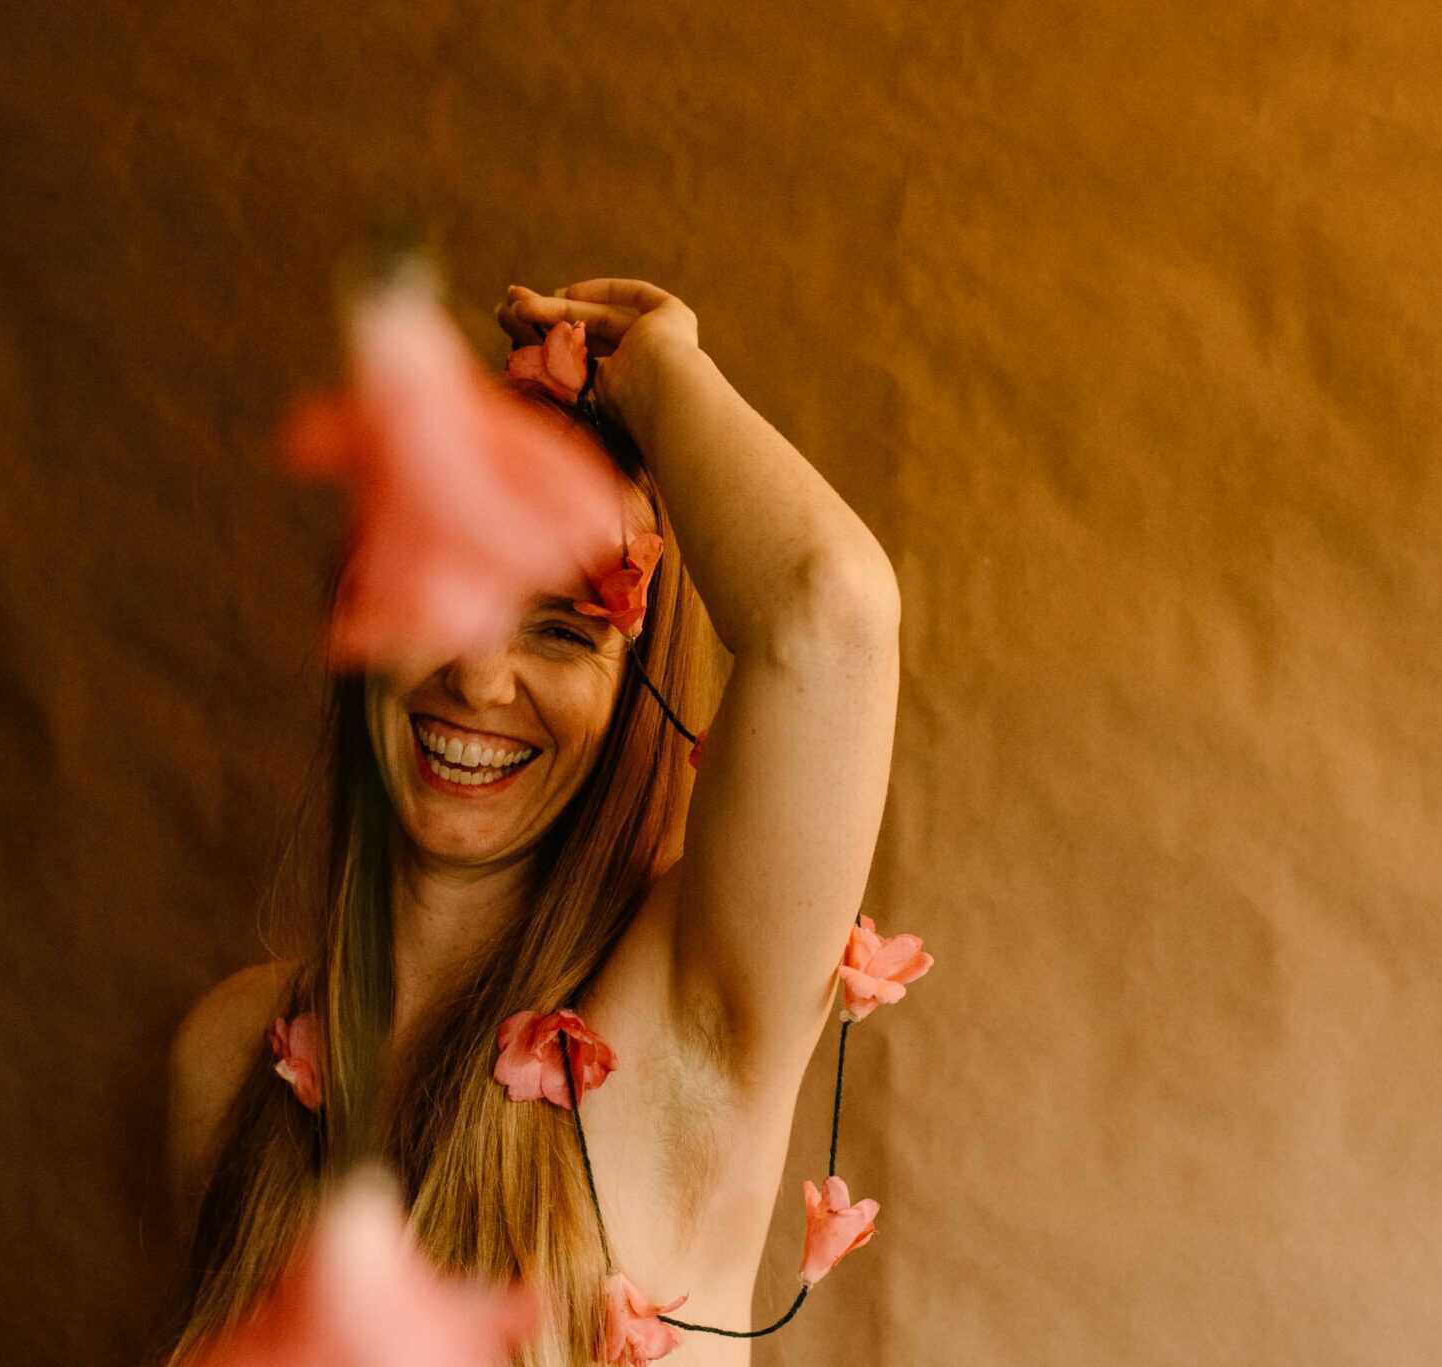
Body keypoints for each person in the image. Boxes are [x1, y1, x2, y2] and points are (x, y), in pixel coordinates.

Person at [162, 277, 901, 1367]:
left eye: (559, 630)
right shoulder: (226, 1059)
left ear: (631, 691)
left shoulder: (688, 1010)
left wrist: (656, 374)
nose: (478, 674)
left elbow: (828, 608)